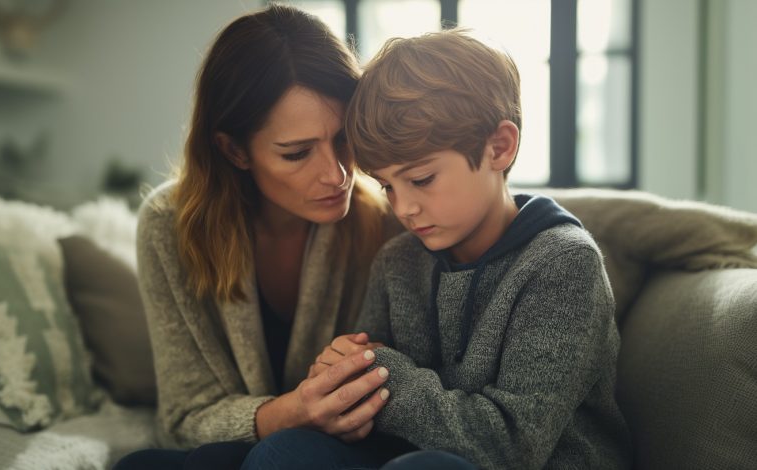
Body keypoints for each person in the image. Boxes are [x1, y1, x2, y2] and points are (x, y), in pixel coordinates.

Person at [243, 30, 633, 469]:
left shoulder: (563, 263)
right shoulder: (398, 261)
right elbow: (369, 402)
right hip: (403, 457)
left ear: (499, 147)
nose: (404, 208)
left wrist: (383, 372)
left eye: (422, 179)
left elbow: (513, 446)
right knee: (281, 452)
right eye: (387, 186)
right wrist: (341, 381)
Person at [114, 5, 405, 469]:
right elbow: (184, 415)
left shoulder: (389, 223)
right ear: (234, 150)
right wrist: (293, 412)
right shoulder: (169, 227)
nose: (337, 175)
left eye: (344, 138)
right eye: (297, 153)